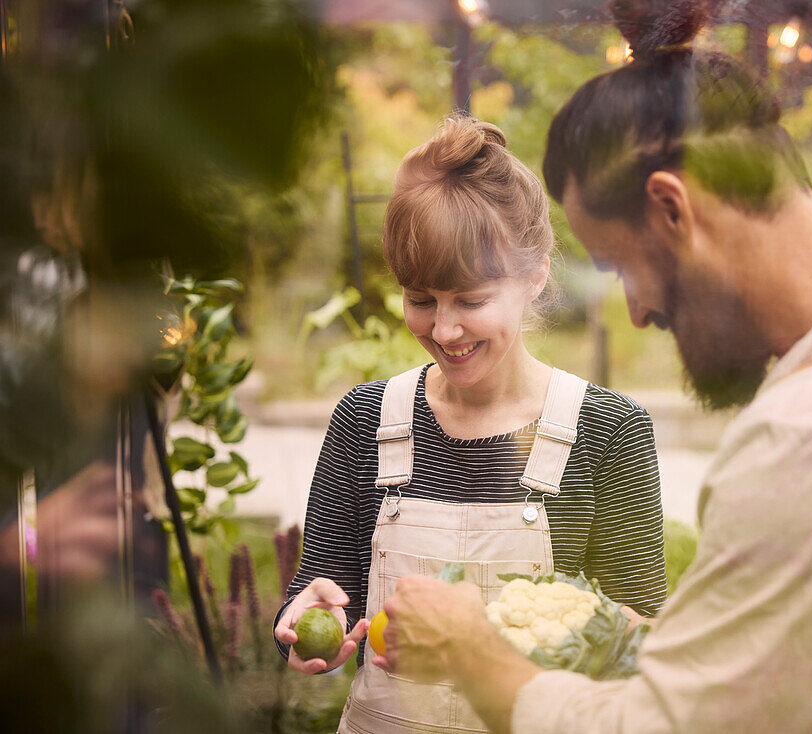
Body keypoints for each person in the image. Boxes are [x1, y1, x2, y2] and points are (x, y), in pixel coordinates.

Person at [372, 3, 812, 733]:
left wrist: (471, 651)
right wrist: (641, 639)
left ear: (672, 209)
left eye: (623, 265)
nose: (640, 310)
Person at [271, 116, 668, 734]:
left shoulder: (609, 432)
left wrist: (493, 641)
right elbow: (320, 598)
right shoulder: (364, 420)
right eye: (421, 299)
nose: (445, 330)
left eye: (472, 300)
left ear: (535, 274)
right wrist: (302, 627)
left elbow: (644, 645)